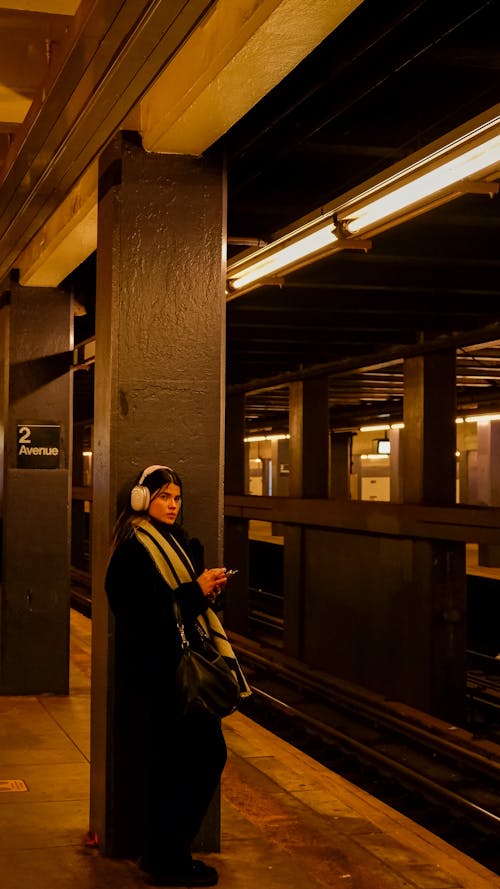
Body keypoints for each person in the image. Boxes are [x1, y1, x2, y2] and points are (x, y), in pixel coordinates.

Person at [105, 464, 232, 887]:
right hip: (158, 676)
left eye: (177, 498)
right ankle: (167, 857)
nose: (173, 505)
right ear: (142, 500)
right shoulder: (133, 550)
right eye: (163, 497)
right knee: (198, 756)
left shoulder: (176, 544)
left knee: (175, 764)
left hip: (173, 671)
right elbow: (143, 616)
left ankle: (164, 853)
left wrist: (205, 590)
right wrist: (196, 590)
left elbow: (180, 606)